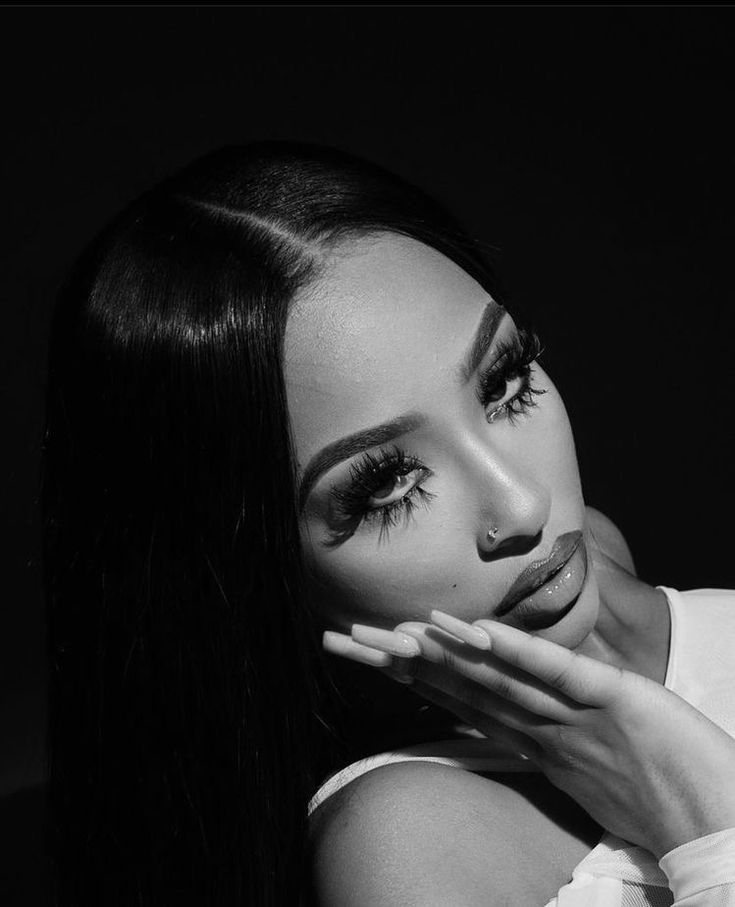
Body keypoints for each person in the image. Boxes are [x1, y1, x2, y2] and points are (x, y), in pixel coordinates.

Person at [39, 140, 735, 907]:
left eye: (503, 383)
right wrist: (703, 817)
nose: (522, 505)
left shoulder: (591, 562)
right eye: (386, 486)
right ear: (262, 573)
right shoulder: (402, 847)